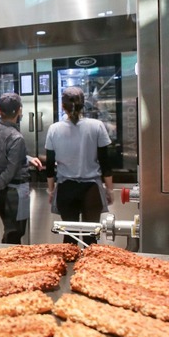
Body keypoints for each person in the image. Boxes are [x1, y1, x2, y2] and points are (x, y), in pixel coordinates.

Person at [45, 86, 114, 246]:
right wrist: (109, 190)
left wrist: (51, 190)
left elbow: (49, 166)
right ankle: (90, 270)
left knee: (69, 239)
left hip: (65, 189)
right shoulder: (97, 126)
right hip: (91, 190)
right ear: (84, 104)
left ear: (63, 106)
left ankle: (69, 268)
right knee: (91, 239)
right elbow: (105, 163)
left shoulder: (54, 129)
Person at [0, 92, 32, 244]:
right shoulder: (16, 137)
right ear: (19, 110)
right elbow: (11, 170)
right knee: (15, 233)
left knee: (10, 230)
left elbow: (2, 159)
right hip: (16, 192)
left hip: (2, 191)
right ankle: (7, 264)